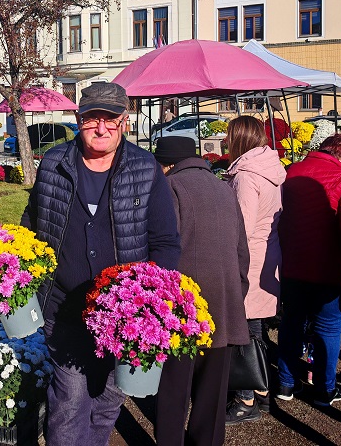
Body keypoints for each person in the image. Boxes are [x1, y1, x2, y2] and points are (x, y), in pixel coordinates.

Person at [21, 82, 181, 446]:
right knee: (70, 401)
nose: (101, 127)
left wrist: (149, 302)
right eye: (92, 118)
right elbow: (32, 223)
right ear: (79, 120)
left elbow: (165, 242)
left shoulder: (145, 168)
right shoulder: (54, 164)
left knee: (108, 400)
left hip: (123, 316)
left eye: (110, 118)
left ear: (124, 122)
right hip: (63, 309)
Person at [153, 136, 250, 446]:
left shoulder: (169, 187)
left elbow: (163, 250)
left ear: (167, 164)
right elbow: (242, 252)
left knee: (173, 390)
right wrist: (236, 292)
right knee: (213, 394)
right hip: (225, 301)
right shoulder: (225, 188)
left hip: (183, 306)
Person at [276, 134, 341, 407]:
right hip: (328, 267)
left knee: (292, 321)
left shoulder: (292, 172)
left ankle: (286, 382)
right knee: (328, 327)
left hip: (291, 263)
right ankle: (325, 389)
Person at [223, 115, 286, 424]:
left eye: (229, 135)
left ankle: (245, 398)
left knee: (243, 329)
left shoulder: (246, 176)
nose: (225, 141)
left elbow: (241, 227)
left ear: (239, 139)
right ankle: (261, 390)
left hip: (249, 259)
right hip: (267, 253)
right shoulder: (269, 167)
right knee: (255, 326)